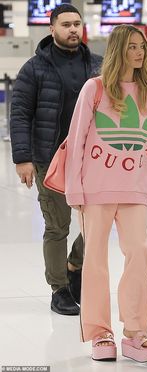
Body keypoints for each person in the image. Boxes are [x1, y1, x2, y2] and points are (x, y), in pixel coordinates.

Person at [64, 24, 147, 363]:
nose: (139, 53)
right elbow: (77, 139)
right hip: (94, 190)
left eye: (141, 46)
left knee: (139, 255)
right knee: (95, 261)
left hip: (135, 190)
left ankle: (136, 330)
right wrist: (74, 189)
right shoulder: (94, 89)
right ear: (117, 51)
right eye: (131, 47)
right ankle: (100, 333)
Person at [10, 4, 102, 316]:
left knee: (97, 224)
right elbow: (20, 113)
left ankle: (75, 263)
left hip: (93, 159)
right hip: (50, 160)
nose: (73, 29)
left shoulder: (97, 65)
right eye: (66, 24)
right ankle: (59, 288)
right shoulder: (34, 68)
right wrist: (22, 158)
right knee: (57, 225)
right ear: (53, 29)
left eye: (77, 24)